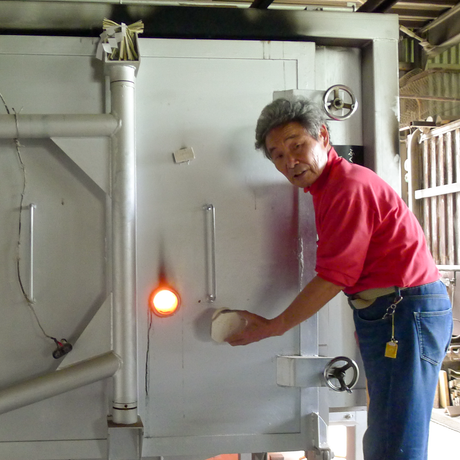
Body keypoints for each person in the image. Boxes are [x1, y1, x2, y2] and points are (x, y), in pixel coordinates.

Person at [226, 97, 453, 460]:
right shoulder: (326, 189)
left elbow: (335, 275)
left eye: (297, 146)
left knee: (396, 440)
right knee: (387, 431)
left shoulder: (347, 187)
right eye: (278, 156)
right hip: (390, 312)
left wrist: (273, 326)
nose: (290, 162)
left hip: (406, 313)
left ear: (323, 137)